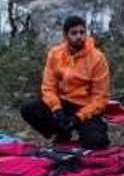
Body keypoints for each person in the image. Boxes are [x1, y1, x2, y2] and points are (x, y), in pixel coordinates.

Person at [19, 15, 111, 149]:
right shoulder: (55, 54)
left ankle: (90, 128)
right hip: (62, 103)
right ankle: (62, 131)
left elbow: (100, 98)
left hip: (85, 107)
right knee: (28, 109)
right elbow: (48, 87)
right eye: (74, 33)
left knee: (97, 142)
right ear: (65, 35)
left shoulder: (98, 58)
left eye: (82, 32)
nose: (79, 36)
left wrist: (78, 117)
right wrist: (57, 110)